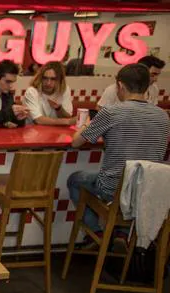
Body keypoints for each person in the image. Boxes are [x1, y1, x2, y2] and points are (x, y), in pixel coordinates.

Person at [69, 63, 170, 251]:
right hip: (149, 191)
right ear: (147, 87)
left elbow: (76, 142)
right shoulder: (163, 116)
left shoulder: (111, 111)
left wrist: (88, 123)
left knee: (75, 180)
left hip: (114, 189)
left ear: (120, 86)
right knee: (128, 186)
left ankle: (97, 235)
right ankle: (121, 233)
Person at [97, 55, 165, 109]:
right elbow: (100, 110)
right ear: (141, 72)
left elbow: (153, 109)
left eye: (157, 75)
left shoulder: (154, 89)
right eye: (152, 75)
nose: (156, 79)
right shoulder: (113, 89)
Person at [23, 61, 75, 126]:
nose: (48, 83)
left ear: (60, 80)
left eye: (53, 79)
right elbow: (38, 120)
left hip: (55, 133)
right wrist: (68, 121)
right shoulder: (32, 91)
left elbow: (68, 116)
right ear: (40, 78)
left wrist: (59, 109)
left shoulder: (64, 89)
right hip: (33, 132)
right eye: (45, 78)